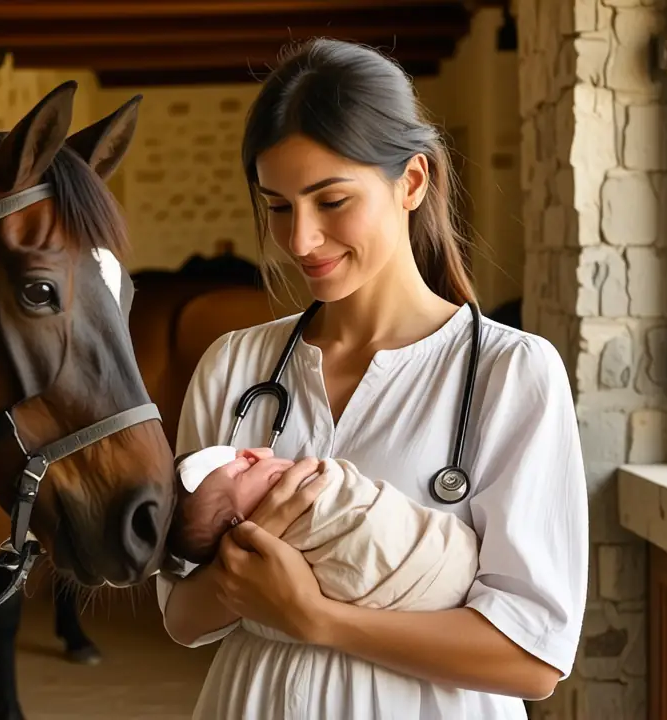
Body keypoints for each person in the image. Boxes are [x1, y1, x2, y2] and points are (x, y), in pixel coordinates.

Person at [155, 37, 588, 719]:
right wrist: (241, 574)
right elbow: (181, 616)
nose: (299, 240)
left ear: (411, 182)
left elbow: (532, 659)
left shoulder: (511, 373)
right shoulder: (235, 367)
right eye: (277, 205)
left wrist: (313, 615)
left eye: (331, 201)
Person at [167, 445, 481, 611]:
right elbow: (182, 618)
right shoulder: (227, 358)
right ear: (236, 525)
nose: (258, 454)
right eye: (244, 469)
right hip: (435, 572)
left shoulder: (516, 358)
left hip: (447, 571)